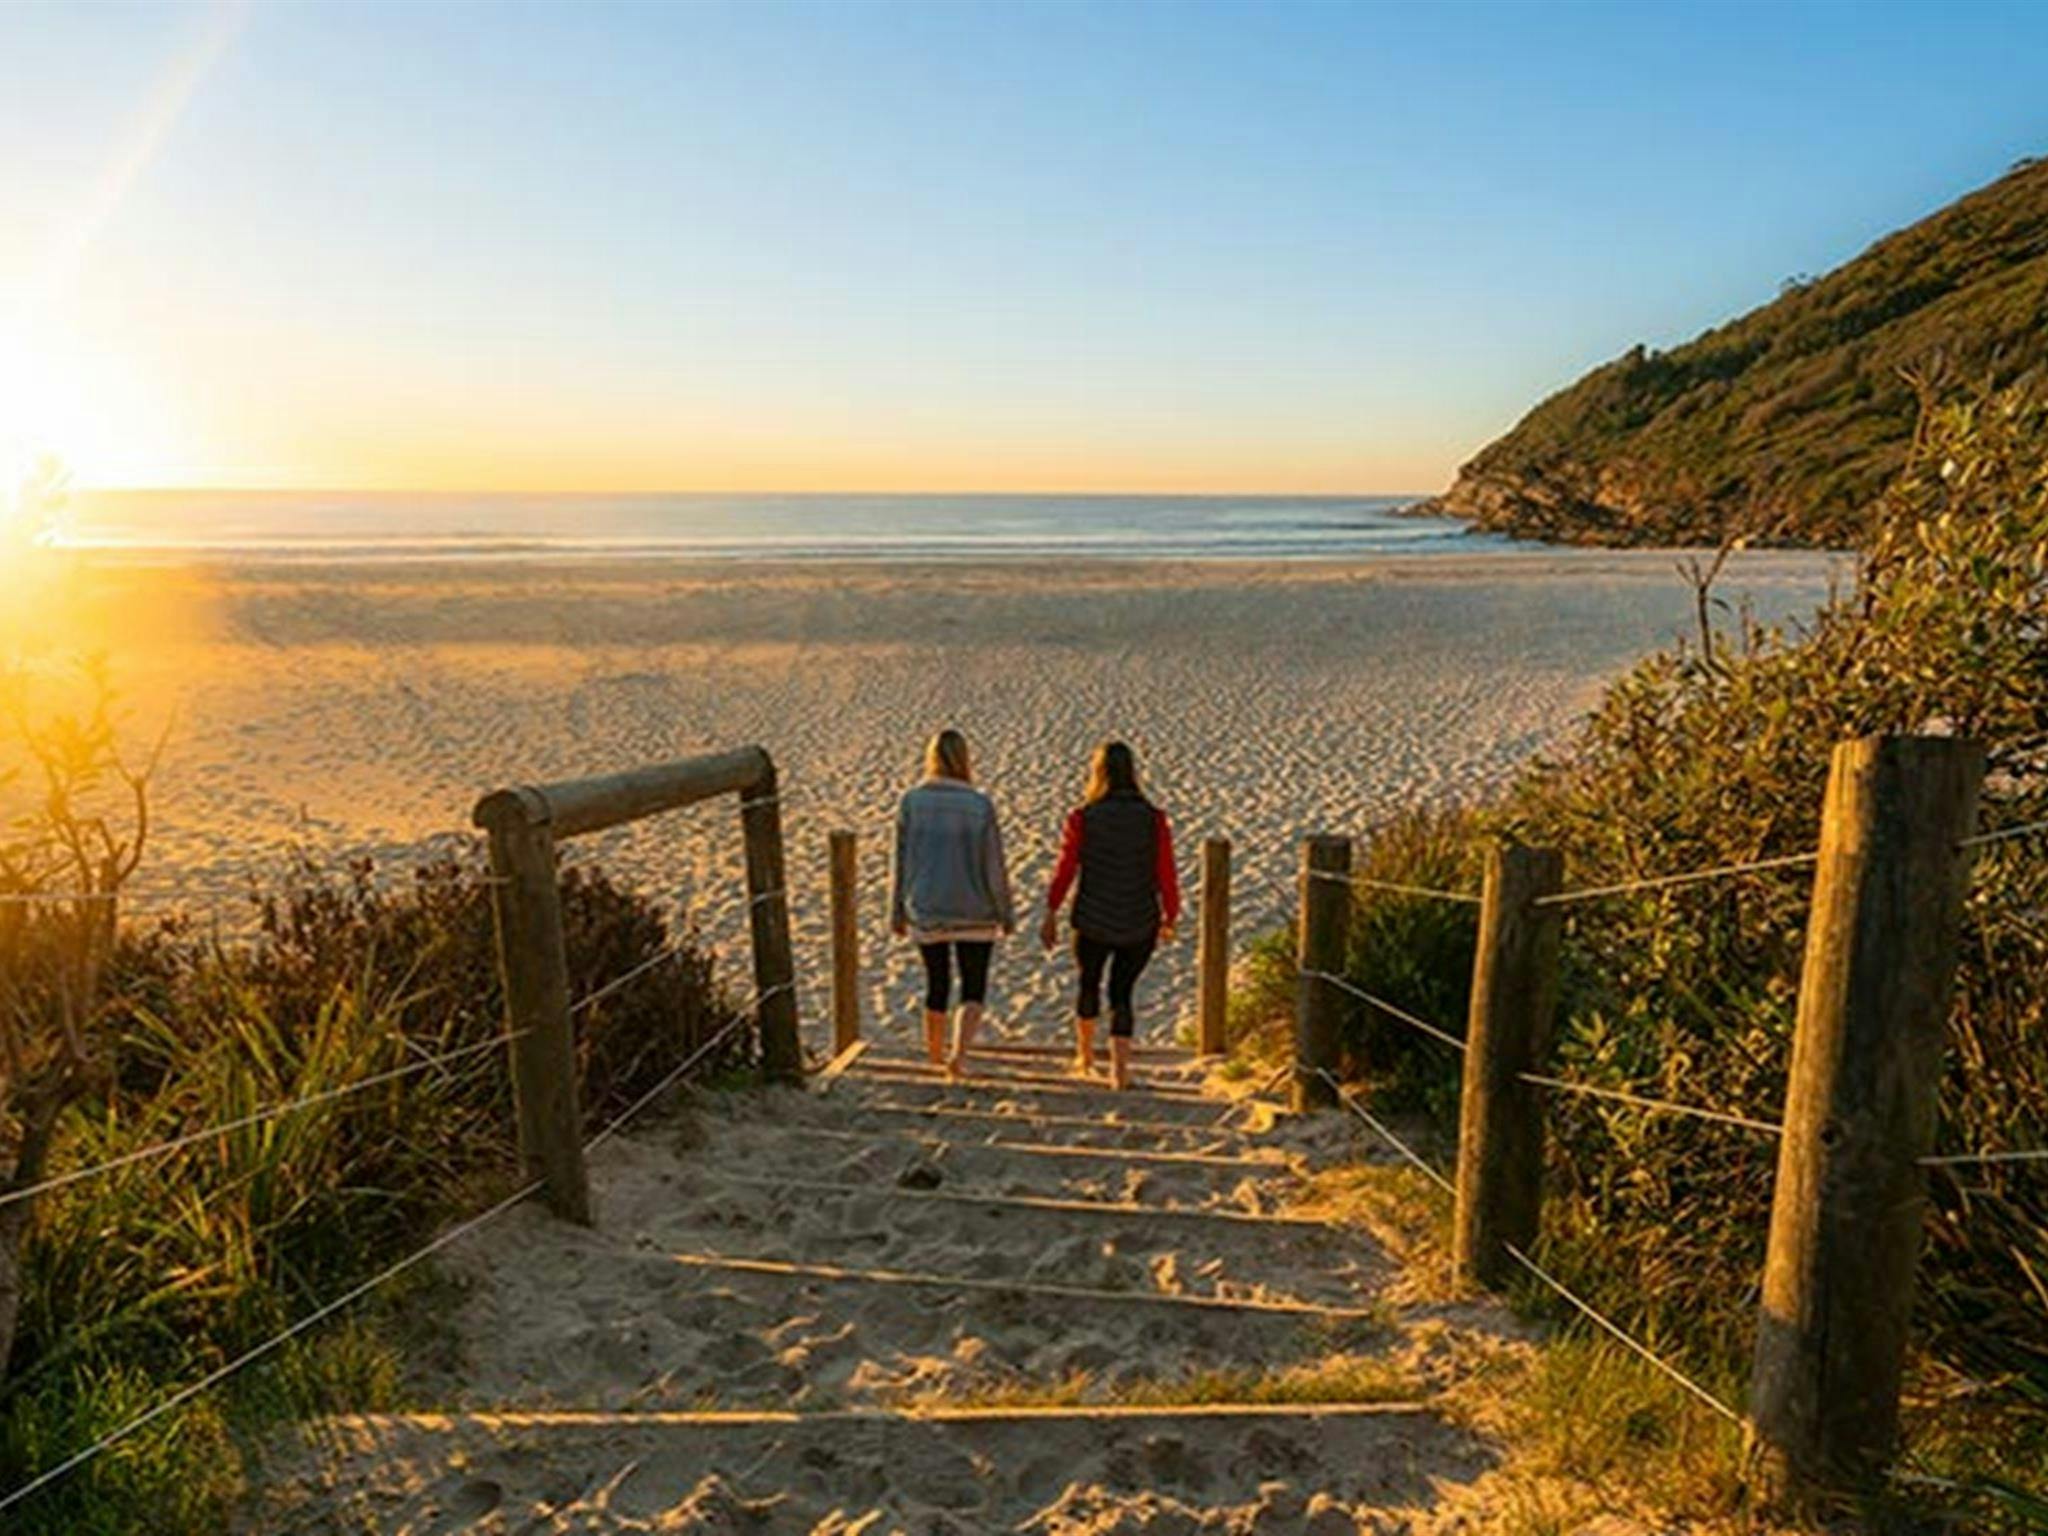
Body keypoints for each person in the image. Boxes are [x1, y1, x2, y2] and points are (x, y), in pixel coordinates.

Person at [1040, 740, 1179, 1090]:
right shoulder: (1153, 819)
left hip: (1092, 916)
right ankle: (1120, 1072)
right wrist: (1171, 915)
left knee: (1089, 982)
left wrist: (1051, 909)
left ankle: (1085, 1056)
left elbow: (1066, 867)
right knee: (1122, 992)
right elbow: (1166, 872)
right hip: (1139, 917)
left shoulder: (1083, 818)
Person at [891, 728, 1015, 1079]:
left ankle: (933, 1055)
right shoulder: (979, 804)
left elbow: (900, 861)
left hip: (927, 905)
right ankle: (958, 1055)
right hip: (975, 908)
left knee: (937, 982)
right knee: (973, 985)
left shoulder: (911, 801)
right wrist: (1005, 912)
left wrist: (897, 910)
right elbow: (994, 865)